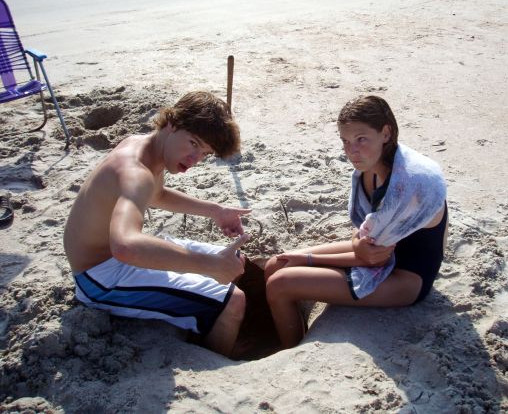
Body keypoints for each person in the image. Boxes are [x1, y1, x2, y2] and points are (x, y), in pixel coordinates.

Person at [64, 91, 251, 357]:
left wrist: (216, 211)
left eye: (204, 153)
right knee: (234, 302)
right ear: (172, 123)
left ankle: (208, 326)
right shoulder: (135, 173)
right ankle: (216, 359)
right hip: (100, 277)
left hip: (116, 260)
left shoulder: (144, 146)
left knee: (235, 259)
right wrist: (207, 265)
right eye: (193, 143)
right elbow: (125, 246)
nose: (194, 159)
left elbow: (158, 194)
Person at [264, 95, 448, 349]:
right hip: (377, 251)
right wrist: (355, 243)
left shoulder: (409, 184)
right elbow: (362, 237)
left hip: (405, 277)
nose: (352, 151)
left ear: (386, 133)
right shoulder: (372, 165)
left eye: (361, 139)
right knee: (276, 264)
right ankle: (286, 333)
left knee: (280, 284)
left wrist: (308, 259)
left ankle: (288, 352)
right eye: (345, 141)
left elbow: (373, 257)